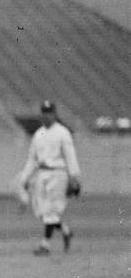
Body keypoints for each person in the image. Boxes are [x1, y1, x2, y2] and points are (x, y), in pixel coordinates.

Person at [15, 100, 81, 256]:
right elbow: (32, 159)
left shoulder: (63, 132)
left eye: (49, 113)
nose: (46, 116)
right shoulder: (38, 134)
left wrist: (74, 177)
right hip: (42, 173)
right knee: (42, 210)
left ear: (54, 114)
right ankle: (65, 230)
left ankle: (45, 245)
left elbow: (70, 156)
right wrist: (25, 177)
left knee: (51, 209)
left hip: (59, 173)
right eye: (44, 113)